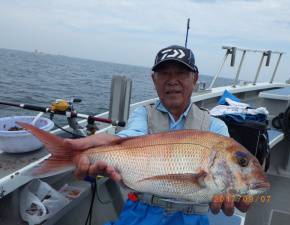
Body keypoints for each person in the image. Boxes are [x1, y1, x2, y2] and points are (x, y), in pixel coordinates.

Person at [68, 45, 251, 225]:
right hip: (140, 211)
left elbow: (223, 181)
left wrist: (236, 194)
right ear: (153, 79)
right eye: (164, 73)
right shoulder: (142, 114)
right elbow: (131, 137)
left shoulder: (215, 127)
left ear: (194, 78)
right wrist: (109, 145)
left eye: (181, 73)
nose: (172, 80)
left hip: (191, 217)